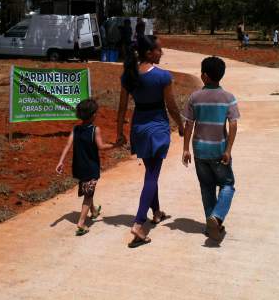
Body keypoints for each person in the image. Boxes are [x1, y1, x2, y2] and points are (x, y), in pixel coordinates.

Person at [116, 35, 184, 248]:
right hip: (157, 128)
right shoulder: (163, 76)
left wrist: (120, 132)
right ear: (148, 53)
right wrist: (181, 125)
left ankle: (156, 212)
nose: (161, 53)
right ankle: (138, 223)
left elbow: (121, 108)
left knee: (150, 173)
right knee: (152, 176)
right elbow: (171, 105)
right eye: (158, 50)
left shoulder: (129, 75)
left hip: (139, 128)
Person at [182, 56, 240, 242]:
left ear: (204, 76)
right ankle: (216, 218)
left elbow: (188, 124)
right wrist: (228, 150)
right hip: (219, 151)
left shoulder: (195, 97)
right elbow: (233, 125)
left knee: (206, 188)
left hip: (199, 150)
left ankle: (211, 226)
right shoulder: (228, 98)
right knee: (227, 185)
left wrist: (185, 149)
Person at [56, 99, 116, 236]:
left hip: (78, 167)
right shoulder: (95, 130)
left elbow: (67, 145)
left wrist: (60, 162)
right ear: (93, 115)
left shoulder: (76, 129)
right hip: (91, 167)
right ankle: (81, 223)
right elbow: (101, 147)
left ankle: (94, 211)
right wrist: (115, 145)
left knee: (88, 188)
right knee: (88, 195)